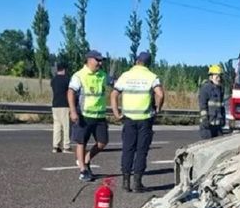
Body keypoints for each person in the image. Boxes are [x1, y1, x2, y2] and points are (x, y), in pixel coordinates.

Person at [110, 51, 165, 193]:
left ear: (136, 61)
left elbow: (114, 94)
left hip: (128, 119)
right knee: (141, 151)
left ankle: (125, 181)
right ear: (148, 63)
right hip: (145, 119)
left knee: (127, 149)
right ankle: (137, 183)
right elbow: (160, 94)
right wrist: (157, 108)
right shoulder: (151, 76)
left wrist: (116, 113)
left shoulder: (126, 75)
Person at [68, 50, 110, 182]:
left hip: (99, 115)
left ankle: (86, 159)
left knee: (102, 142)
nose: (100, 62)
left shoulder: (102, 75)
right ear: (89, 60)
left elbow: (116, 83)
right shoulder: (79, 75)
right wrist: (73, 111)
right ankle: (83, 170)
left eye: (101, 60)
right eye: (97, 60)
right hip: (84, 114)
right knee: (81, 142)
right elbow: (70, 93)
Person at [198, 65, 226, 139]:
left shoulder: (220, 90)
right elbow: (202, 106)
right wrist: (204, 119)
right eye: (217, 77)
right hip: (207, 127)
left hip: (218, 127)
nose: (219, 79)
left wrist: (223, 119)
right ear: (211, 77)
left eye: (220, 77)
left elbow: (221, 106)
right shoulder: (205, 89)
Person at [51, 62, 72, 153]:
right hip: (64, 104)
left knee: (57, 126)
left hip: (55, 104)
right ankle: (66, 146)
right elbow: (69, 92)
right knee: (66, 126)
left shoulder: (53, 80)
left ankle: (56, 146)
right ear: (64, 69)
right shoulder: (67, 80)